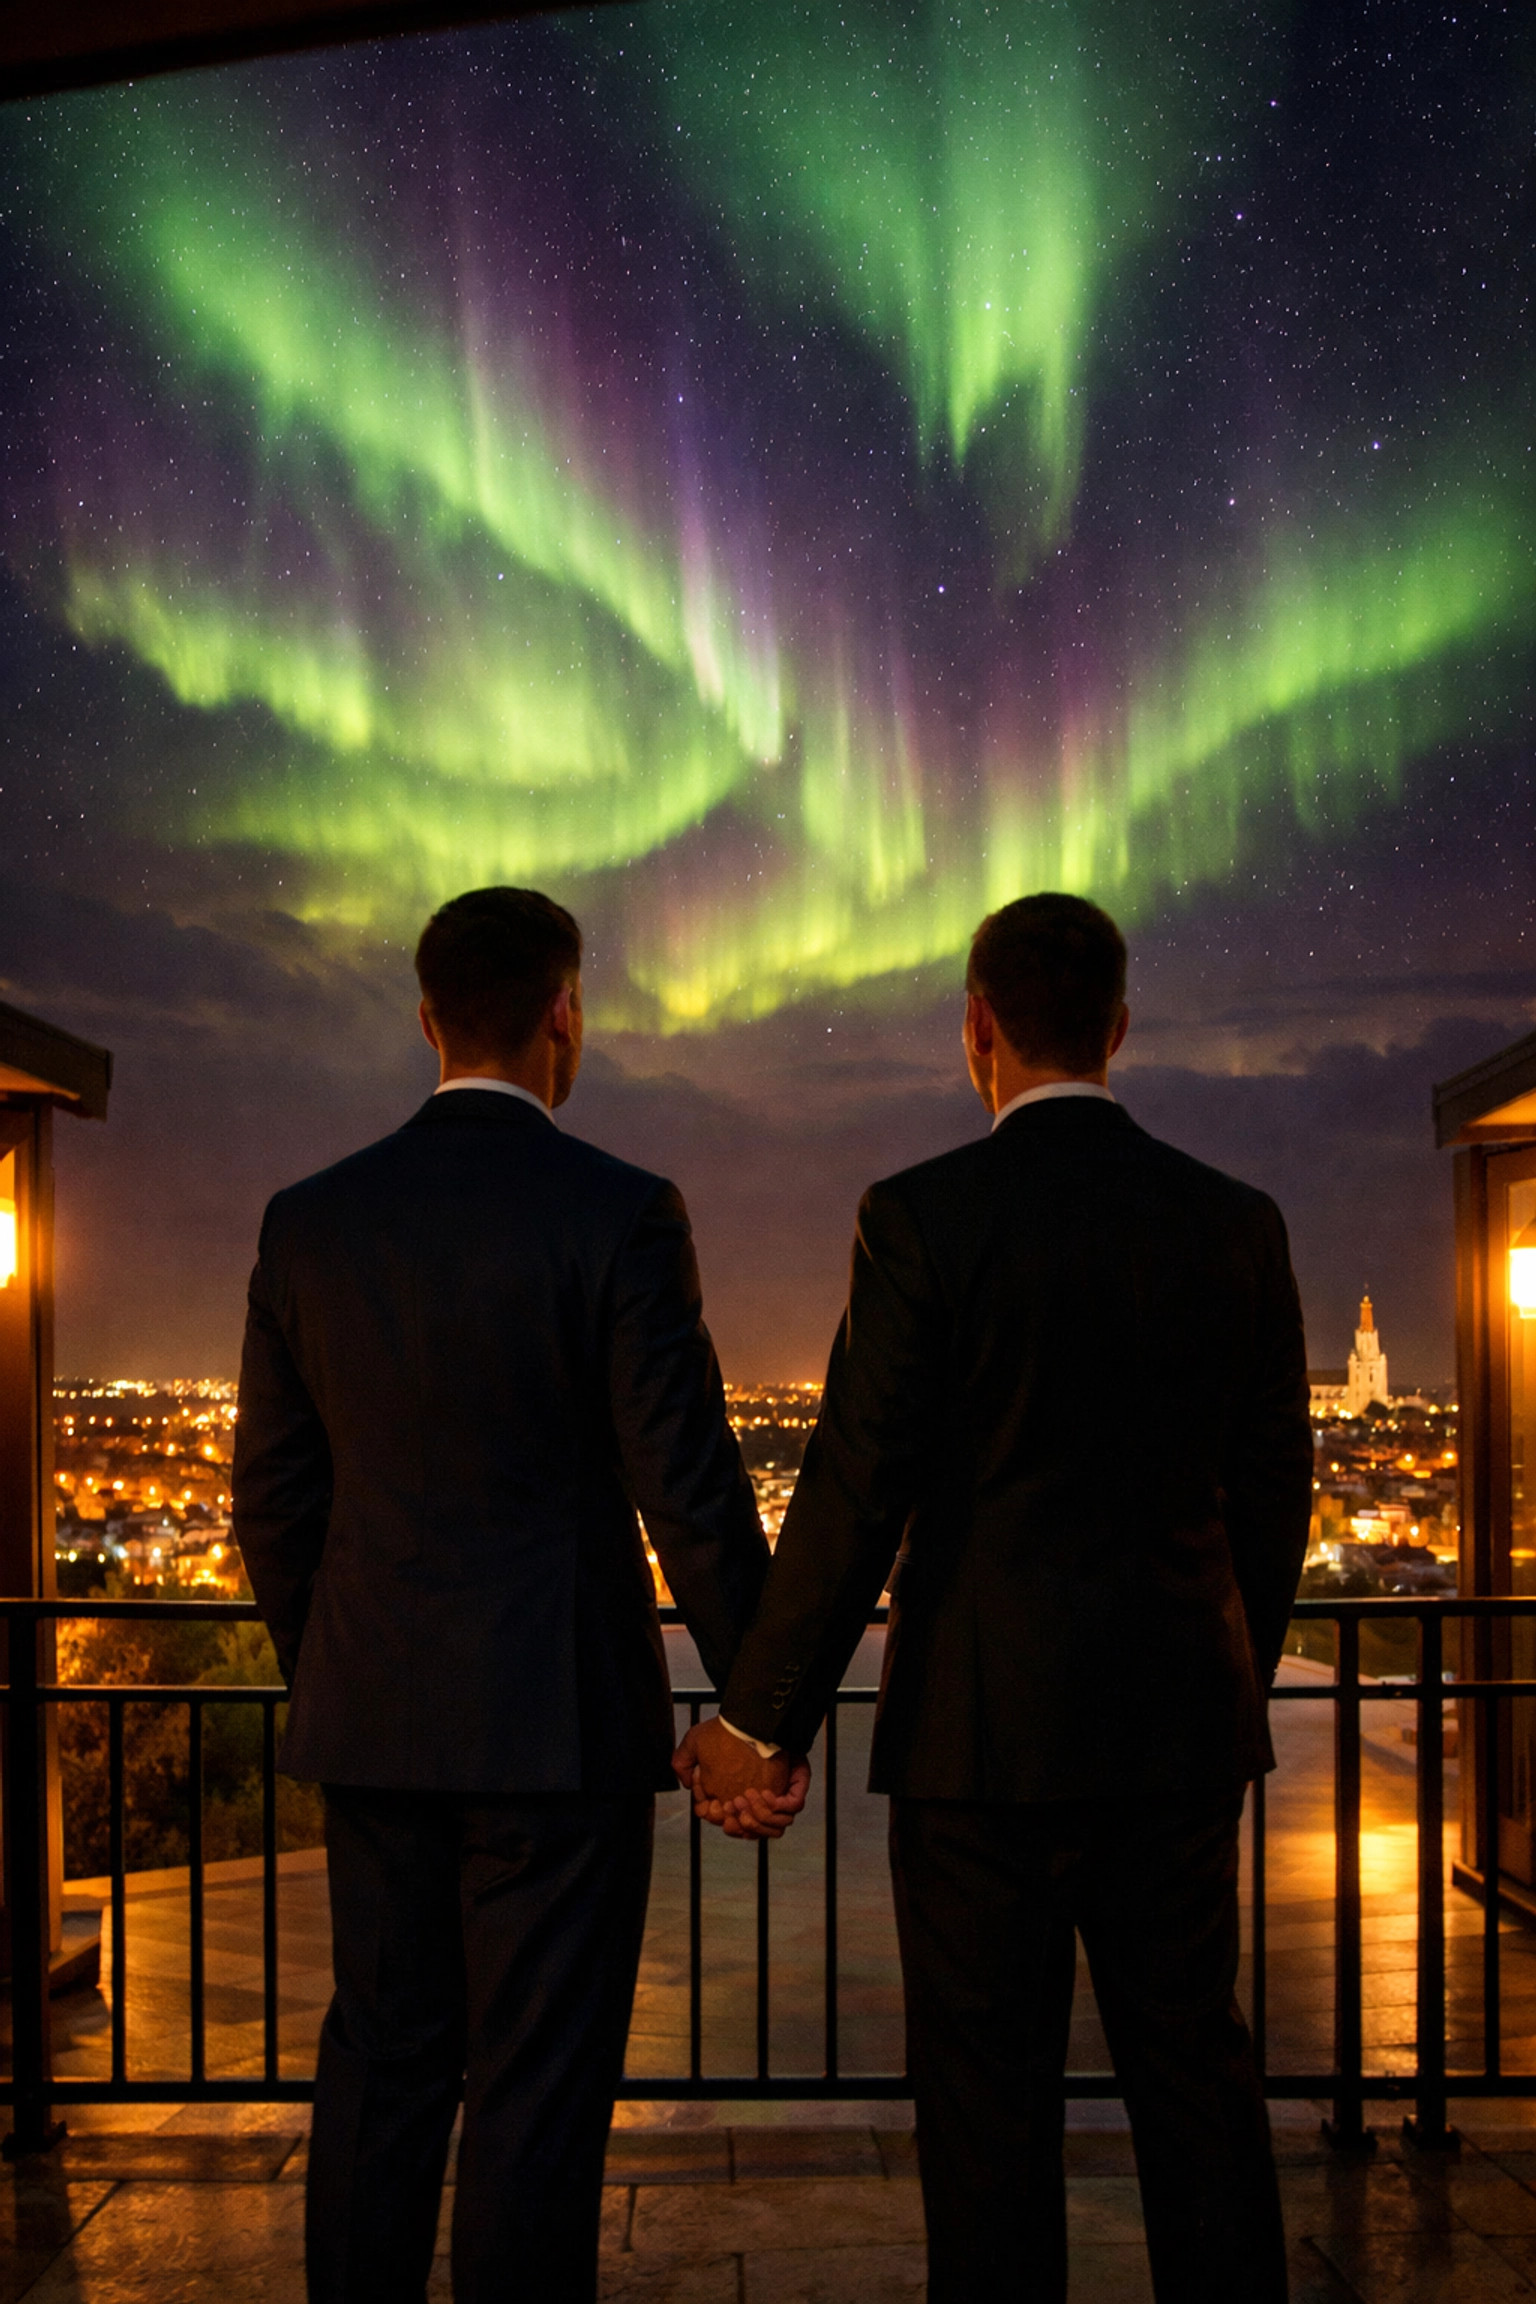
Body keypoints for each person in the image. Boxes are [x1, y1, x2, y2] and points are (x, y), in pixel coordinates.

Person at [677, 891, 1312, 2304]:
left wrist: (758, 1723)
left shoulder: (923, 1222)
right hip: (1175, 1739)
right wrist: (1225, 1666)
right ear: (1120, 1031)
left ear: (977, 1029)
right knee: (1197, 2089)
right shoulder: (1237, 1225)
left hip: (978, 1745)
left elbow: (856, 1494)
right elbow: (1273, 1500)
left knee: (986, 2112)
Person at [234, 886, 780, 2304]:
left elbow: (276, 1508)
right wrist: (766, 1707)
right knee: (535, 2100)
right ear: (565, 1015)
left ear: (426, 1021)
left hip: (378, 1728)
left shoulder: (308, 1224)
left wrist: (341, 1669)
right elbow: (691, 1491)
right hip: (557, 1734)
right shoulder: (617, 1215)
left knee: (381, 2067)